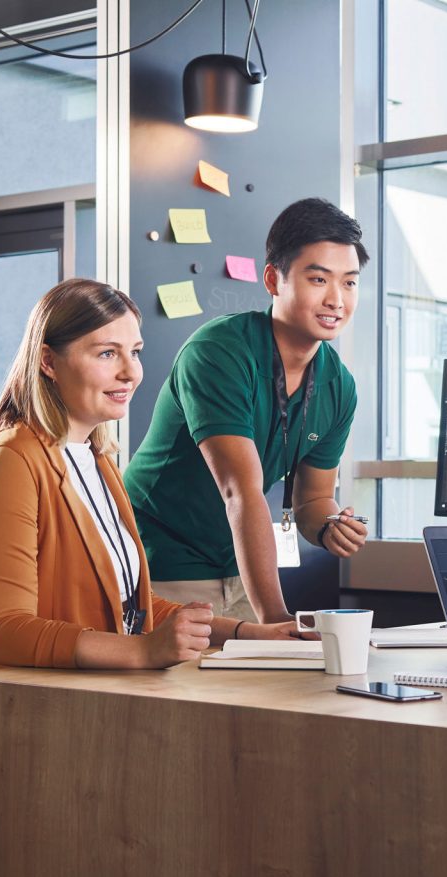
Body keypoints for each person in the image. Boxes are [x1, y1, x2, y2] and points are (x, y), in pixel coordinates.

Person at [0, 278, 297, 673]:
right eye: (106, 354)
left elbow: (131, 606)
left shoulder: (98, 461)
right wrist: (143, 652)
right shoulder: (10, 461)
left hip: (90, 689)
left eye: (134, 352)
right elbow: (6, 631)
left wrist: (251, 633)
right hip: (20, 700)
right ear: (48, 361)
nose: (129, 373)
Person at [124, 198, 370, 627]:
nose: (336, 299)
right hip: (159, 562)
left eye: (349, 283)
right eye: (318, 279)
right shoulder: (219, 352)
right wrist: (275, 617)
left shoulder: (339, 385)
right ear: (274, 279)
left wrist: (330, 526)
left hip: (239, 567)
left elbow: (311, 499)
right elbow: (241, 490)